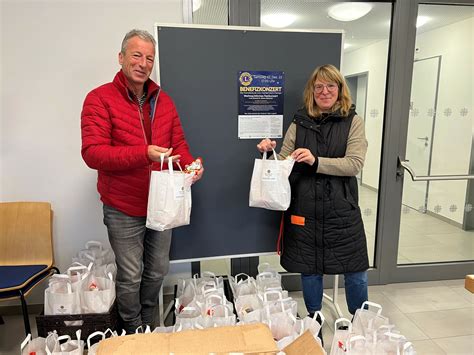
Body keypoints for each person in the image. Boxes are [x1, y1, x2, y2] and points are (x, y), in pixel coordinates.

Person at [81, 29, 203, 333]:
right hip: (123, 205)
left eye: (149, 58)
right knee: (131, 274)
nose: (143, 63)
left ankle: (149, 321)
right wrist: (144, 154)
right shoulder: (99, 99)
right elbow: (93, 153)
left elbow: (180, 146)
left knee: (158, 269)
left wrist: (192, 166)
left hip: (162, 205)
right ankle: (132, 328)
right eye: (137, 55)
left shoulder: (164, 101)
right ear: (121, 57)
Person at [257, 64, 369, 331]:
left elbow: (354, 164)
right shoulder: (299, 121)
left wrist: (316, 161)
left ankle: (360, 320)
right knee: (309, 267)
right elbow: (285, 159)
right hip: (304, 205)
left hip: (341, 207)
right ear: (312, 91)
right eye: (319, 86)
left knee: (355, 269)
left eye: (331, 85)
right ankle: (314, 315)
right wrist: (270, 151)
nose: (325, 91)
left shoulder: (353, 121)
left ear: (340, 90)